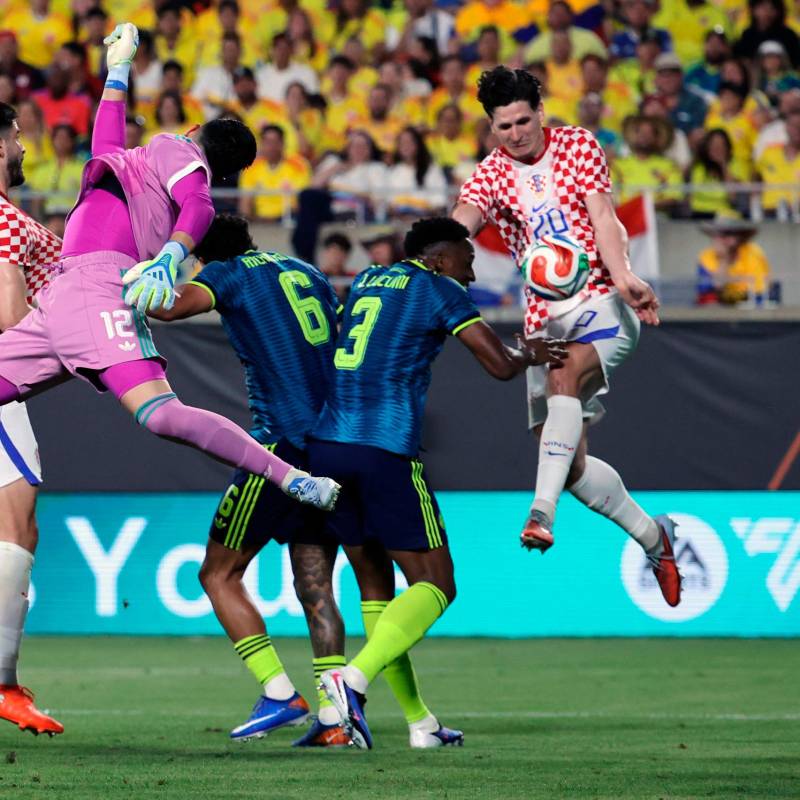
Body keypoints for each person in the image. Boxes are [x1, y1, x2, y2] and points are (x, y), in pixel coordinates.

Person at [0, 23, 339, 512]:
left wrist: (170, 256)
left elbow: (198, 206)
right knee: (160, 416)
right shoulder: (136, 165)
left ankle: (290, 478)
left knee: (161, 415)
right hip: (62, 298)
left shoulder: (177, 149)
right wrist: (118, 70)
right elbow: (106, 140)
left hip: (96, 291)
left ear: (196, 132)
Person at [153, 214, 461, 750]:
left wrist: (132, 280)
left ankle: (278, 692)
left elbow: (173, 306)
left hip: (279, 447)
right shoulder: (306, 271)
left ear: (204, 258)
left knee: (218, 573)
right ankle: (337, 716)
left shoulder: (226, 274)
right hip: (332, 439)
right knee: (318, 583)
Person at [313, 217, 567, 749]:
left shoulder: (366, 280)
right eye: (466, 262)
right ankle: (350, 681)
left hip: (329, 447)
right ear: (438, 259)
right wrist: (532, 352)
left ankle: (419, 724)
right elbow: (498, 366)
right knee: (437, 584)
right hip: (383, 449)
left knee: (378, 590)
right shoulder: (437, 288)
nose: (470, 274)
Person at [451, 67, 681, 607]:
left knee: (565, 373)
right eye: (503, 126)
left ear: (541, 113)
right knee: (572, 467)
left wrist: (624, 277)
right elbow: (462, 221)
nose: (515, 133)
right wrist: (436, 250)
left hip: (602, 305)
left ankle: (539, 513)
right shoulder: (489, 175)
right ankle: (655, 539)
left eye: (523, 120)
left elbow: (604, 219)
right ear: (492, 128)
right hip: (544, 321)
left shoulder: (578, 146)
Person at [0, 101, 63, 737]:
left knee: (20, 532)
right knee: (16, 528)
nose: (23, 147)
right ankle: (2, 684)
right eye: (17, 135)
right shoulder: (6, 224)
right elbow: (11, 325)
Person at [695, 213, 771, 304]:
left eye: (728, 233)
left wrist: (731, 281)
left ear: (740, 236)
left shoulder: (753, 253)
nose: (723, 239)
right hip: (717, 307)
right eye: (719, 234)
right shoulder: (706, 256)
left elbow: (758, 289)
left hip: (748, 303)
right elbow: (709, 288)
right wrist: (724, 259)